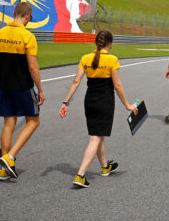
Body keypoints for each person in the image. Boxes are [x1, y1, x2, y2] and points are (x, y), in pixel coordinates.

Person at [59, 31, 138, 188]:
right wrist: (128, 105)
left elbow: (76, 81)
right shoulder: (111, 59)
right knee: (95, 138)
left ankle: (104, 167)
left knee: (98, 134)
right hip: (105, 101)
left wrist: (65, 102)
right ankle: (80, 175)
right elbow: (117, 85)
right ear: (109, 43)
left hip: (89, 100)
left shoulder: (85, 58)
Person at [0, 2, 45, 180]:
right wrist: (41, 89)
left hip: (4, 86)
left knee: (9, 124)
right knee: (33, 121)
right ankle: (10, 156)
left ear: (14, 13)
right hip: (22, 86)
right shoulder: (27, 36)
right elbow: (33, 67)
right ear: (28, 16)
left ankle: (4, 169)